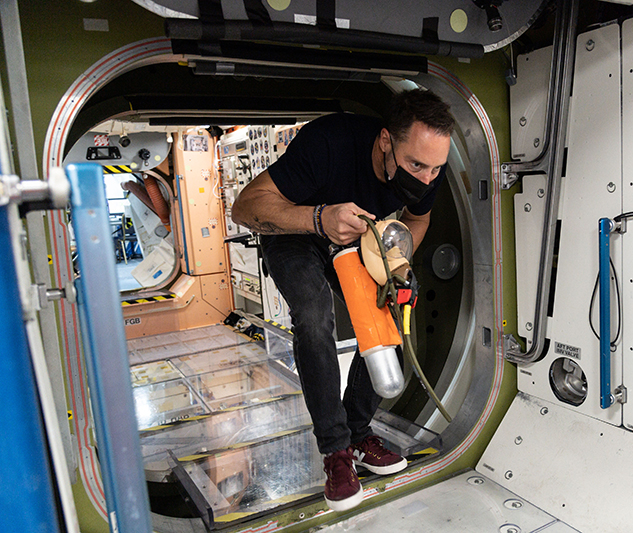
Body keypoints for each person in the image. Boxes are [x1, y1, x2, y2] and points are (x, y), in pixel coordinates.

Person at [231, 88, 454, 511]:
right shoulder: (328, 143)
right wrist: (318, 217)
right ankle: (335, 453)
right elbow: (245, 207)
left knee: (393, 309)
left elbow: (418, 217)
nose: (426, 178)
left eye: (435, 169)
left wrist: (400, 265)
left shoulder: (428, 171)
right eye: (416, 165)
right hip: (295, 232)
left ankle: (356, 435)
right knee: (314, 316)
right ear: (387, 141)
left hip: (357, 238)